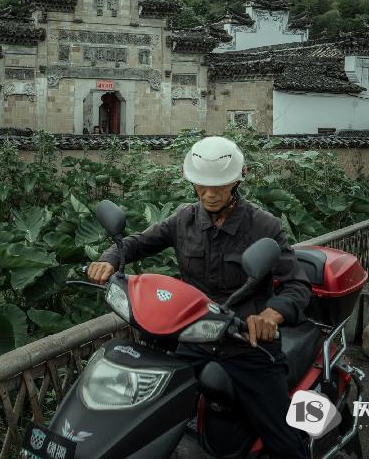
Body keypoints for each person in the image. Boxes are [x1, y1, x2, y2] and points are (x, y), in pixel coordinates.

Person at [87, 136, 311, 459]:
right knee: (148, 412)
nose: (209, 193)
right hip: (195, 341)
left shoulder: (264, 226)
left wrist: (269, 316)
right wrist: (109, 259)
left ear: (237, 180)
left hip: (246, 345)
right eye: (202, 185)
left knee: (283, 439)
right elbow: (137, 243)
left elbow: (296, 286)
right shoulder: (184, 219)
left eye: (219, 186)